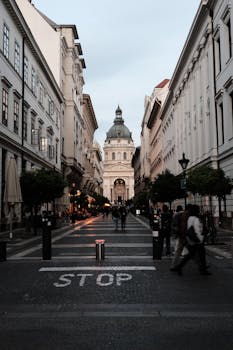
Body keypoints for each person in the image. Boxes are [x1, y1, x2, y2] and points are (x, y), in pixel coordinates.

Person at [173, 204, 211, 276]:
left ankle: (202, 269)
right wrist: (200, 238)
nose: (199, 210)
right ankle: (202, 270)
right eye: (198, 209)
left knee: (191, 255)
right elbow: (197, 230)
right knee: (197, 255)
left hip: (192, 239)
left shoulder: (190, 218)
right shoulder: (195, 219)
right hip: (196, 240)